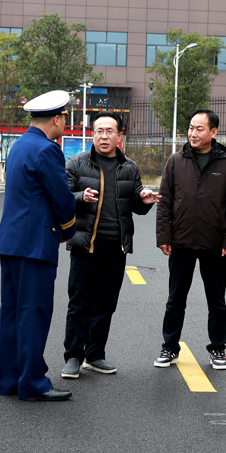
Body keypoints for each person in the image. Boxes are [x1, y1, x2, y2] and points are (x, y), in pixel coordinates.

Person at [60, 112, 159, 379]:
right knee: (79, 303)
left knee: (106, 304)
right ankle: (73, 357)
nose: (104, 136)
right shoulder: (77, 163)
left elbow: (135, 203)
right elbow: (63, 197)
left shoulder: (129, 167)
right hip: (85, 245)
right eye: (99, 131)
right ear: (92, 134)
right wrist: (80, 197)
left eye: (109, 131)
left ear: (119, 136)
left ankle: (94, 355)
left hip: (116, 247)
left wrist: (144, 201)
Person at [0, 90, 77, 402]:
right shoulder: (47, 150)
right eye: (64, 117)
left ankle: (11, 380)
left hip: (12, 242)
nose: (65, 123)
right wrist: (67, 230)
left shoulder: (19, 145)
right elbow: (62, 198)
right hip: (35, 244)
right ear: (56, 119)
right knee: (34, 314)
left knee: (12, 313)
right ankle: (32, 382)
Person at [154, 109, 226, 370]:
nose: (192, 133)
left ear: (214, 132)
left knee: (216, 301)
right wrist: (164, 236)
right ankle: (170, 347)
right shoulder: (175, 161)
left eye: (199, 129)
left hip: (214, 244)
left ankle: (218, 348)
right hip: (180, 242)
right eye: (191, 128)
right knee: (175, 299)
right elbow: (164, 203)